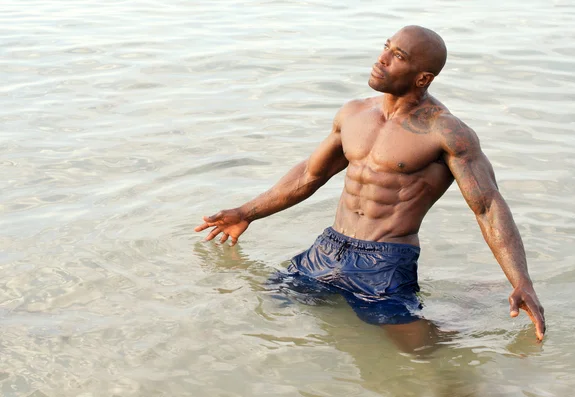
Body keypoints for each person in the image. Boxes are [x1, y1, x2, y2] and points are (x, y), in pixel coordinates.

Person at [195, 25, 546, 347]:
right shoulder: (353, 113)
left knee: (418, 350)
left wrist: (521, 280)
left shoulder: (445, 132)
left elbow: (487, 206)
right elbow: (309, 175)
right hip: (328, 248)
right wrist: (245, 213)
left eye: (398, 56)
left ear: (422, 78)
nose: (381, 60)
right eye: (386, 47)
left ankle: (466, 323)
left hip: (385, 259)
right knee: (265, 307)